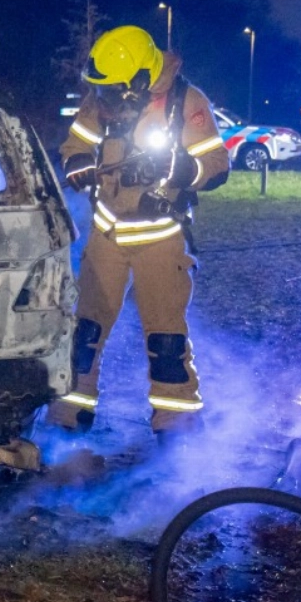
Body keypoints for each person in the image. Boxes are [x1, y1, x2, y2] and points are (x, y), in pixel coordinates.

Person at [47, 25, 230, 438]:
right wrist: (76, 163)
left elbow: (217, 165)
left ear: (141, 80)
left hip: (161, 238)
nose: (106, 99)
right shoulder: (104, 98)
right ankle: (68, 415)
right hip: (107, 235)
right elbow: (76, 144)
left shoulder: (186, 102)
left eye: (113, 89)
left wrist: (178, 169)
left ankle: (176, 424)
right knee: (85, 331)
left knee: (166, 338)